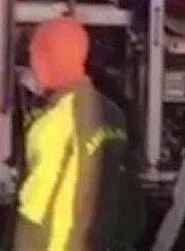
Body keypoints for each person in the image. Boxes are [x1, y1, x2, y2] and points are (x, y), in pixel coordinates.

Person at [13, 16, 138, 251]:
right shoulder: (114, 115)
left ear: (47, 57)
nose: (33, 67)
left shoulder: (55, 123)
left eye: (33, 56)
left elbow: (38, 211)